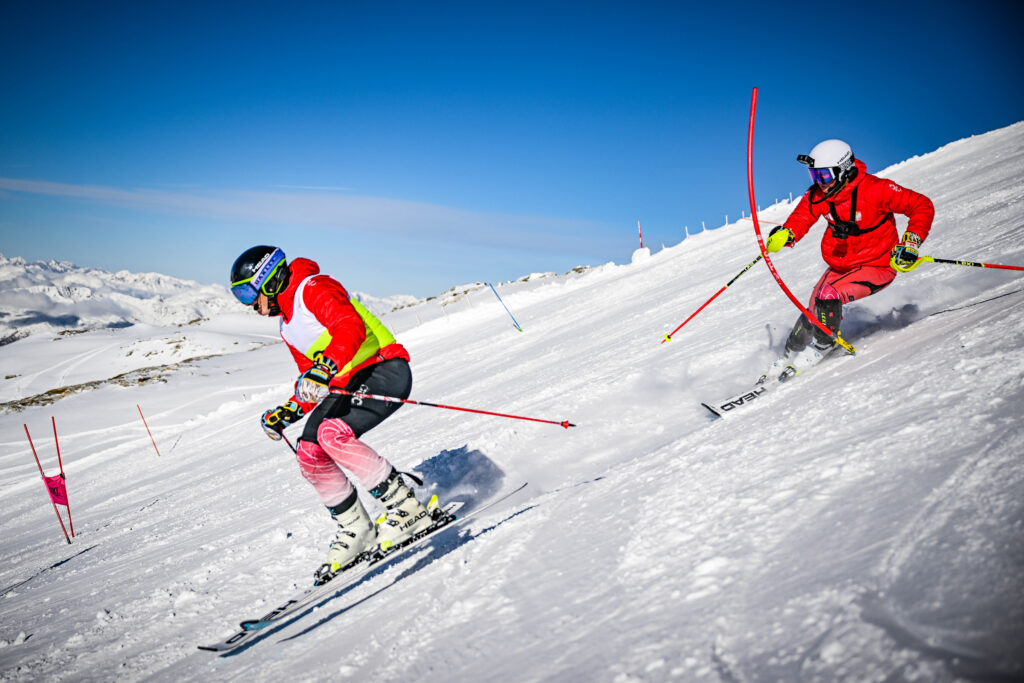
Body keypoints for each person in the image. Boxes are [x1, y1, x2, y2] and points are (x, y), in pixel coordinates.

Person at [229, 245, 437, 583]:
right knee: (310, 452)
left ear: (267, 280)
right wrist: (291, 409)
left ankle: (408, 510)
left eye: (247, 292)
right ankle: (357, 529)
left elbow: (349, 327)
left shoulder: (313, 288)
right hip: (347, 382)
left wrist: (325, 367)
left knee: (331, 434)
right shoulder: (286, 325)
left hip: (383, 368)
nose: (248, 304)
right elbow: (314, 381)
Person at [761, 139, 934, 381]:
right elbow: (802, 216)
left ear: (843, 170)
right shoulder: (818, 195)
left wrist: (911, 243)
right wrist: (787, 233)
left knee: (828, 295)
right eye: (814, 176)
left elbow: (921, 205)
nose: (819, 183)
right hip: (842, 265)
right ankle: (790, 353)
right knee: (813, 307)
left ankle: (821, 346)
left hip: (878, 264)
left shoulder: (876, 189)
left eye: (824, 176)